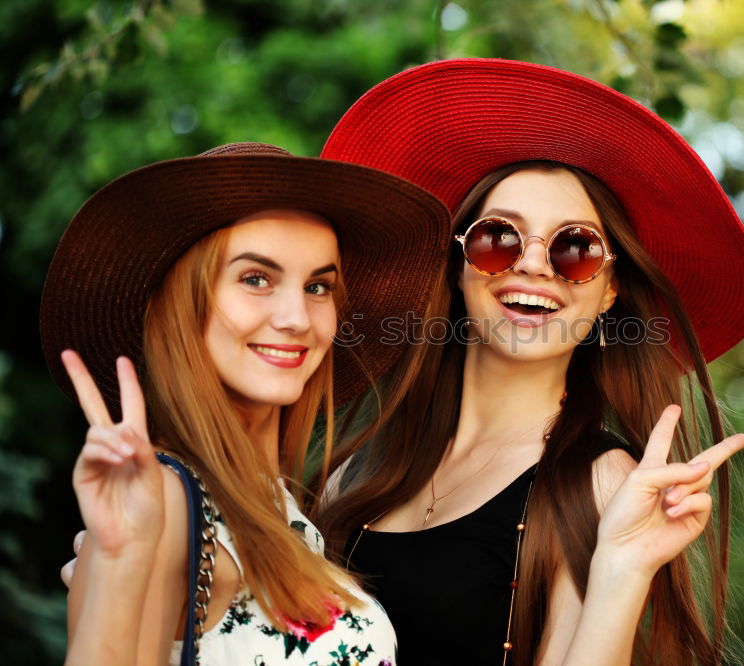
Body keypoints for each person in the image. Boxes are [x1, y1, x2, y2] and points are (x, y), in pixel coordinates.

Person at [318, 59, 744, 665]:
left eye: (575, 248)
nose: (533, 265)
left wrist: (624, 570)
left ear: (610, 291)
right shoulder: (354, 471)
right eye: (498, 237)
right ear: (456, 266)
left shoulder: (600, 482)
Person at [41, 142, 452, 665]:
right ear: (183, 307)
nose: (297, 318)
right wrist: (120, 562)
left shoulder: (280, 508)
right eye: (256, 278)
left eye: (318, 286)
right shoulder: (164, 501)